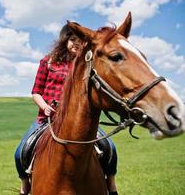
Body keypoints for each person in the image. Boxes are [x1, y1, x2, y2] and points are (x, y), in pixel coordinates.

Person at [14, 23, 118, 195]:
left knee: (110, 148)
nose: (75, 44)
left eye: (80, 41)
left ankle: (111, 185)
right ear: (64, 41)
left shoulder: (86, 66)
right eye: (72, 40)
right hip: (47, 120)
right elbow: (36, 92)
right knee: (20, 152)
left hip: (79, 121)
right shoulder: (48, 61)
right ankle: (25, 186)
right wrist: (45, 107)